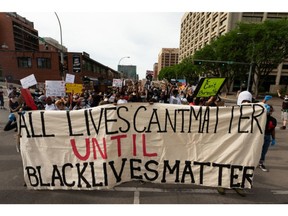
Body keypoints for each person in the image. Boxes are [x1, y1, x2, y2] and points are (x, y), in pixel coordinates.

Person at [259, 104, 277, 172]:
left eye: (271, 110)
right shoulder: (260, 118)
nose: (270, 112)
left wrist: (273, 139)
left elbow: (273, 129)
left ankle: (261, 163)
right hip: (259, 137)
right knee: (255, 150)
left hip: (267, 136)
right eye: (268, 110)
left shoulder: (273, 120)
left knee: (264, 151)